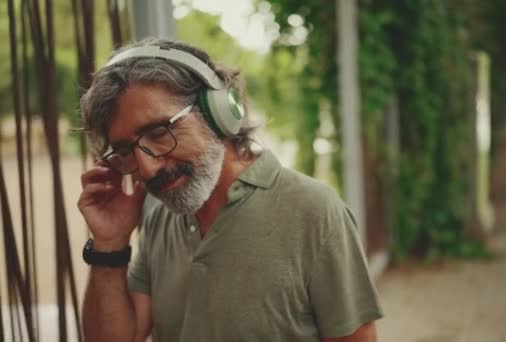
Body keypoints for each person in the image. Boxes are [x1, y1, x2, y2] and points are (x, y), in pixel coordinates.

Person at [78, 38, 383, 342]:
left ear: (218, 110)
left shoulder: (314, 211)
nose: (147, 169)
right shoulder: (160, 221)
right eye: (127, 150)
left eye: (159, 132)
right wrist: (110, 247)